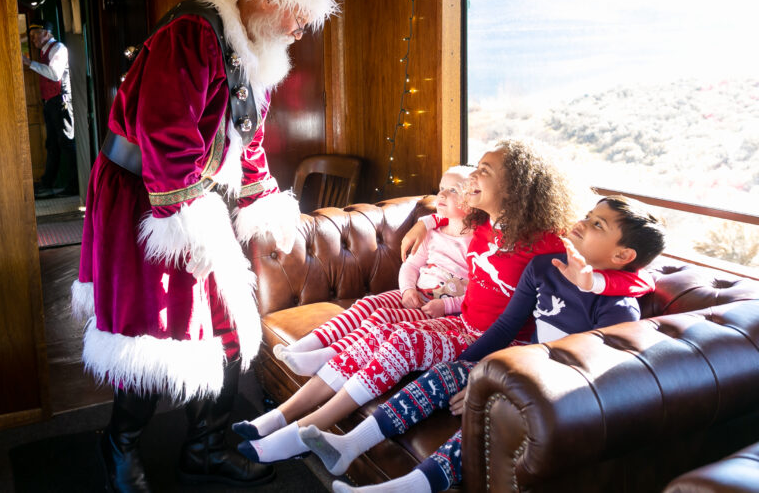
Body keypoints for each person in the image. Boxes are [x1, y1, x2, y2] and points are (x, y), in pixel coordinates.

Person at [72, 0, 341, 492]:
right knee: (148, 330)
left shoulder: (257, 52)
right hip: (145, 201)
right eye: (299, 15)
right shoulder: (191, 34)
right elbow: (165, 134)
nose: (300, 30)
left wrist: (264, 204)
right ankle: (119, 445)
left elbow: (248, 143)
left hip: (196, 199)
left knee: (227, 326)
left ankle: (205, 447)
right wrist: (190, 218)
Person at [234, 140, 653, 463]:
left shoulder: (547, 243)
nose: (473, 178)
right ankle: (281, 415)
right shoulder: (482, 223)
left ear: (515, 189)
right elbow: (442, 212)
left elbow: (632, 278)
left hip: (497, 340)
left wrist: (599, 282)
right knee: (381, 330)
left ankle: (303, 432)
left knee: (400, 342)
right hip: (463, 322)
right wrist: (423, 220)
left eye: (484, 172)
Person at [302, 195, 666, 493]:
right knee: (443, 376)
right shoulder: (543, 267)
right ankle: (349, 445)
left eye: (597, 225)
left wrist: (495, 385)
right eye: (589, 215)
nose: (583, 222)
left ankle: (406, 487)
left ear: (622, 257)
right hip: (513, 364)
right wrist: (467, 369)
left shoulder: (618, 306)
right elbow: (506, 325)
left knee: (492, 418)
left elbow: (590, 374)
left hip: (556, 390)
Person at [272, 166, 475, 378]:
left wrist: (445, 305)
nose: (441, 194)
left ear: (473, 201)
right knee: (367, 304)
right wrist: (406, 290)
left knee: (382, 317)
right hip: (415, 293)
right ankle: (305, 345)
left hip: (435, 308)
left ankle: (328, 355)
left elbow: (480, 293)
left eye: (452, 191)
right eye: (441, 188)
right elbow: (411, 266)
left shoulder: (478, 243)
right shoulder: (431, 231)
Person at [22, 23, 80, 198]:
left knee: (67, 143)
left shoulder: (59, 48)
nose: (32, 40)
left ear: (47, 33)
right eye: (31, 37)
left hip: (61, 100)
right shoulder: (44, 50)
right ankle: (47, 182)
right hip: (49, 102)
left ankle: (75, 185)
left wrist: (29, 63)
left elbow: (55, 74)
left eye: (35, 35)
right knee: (52, 144)